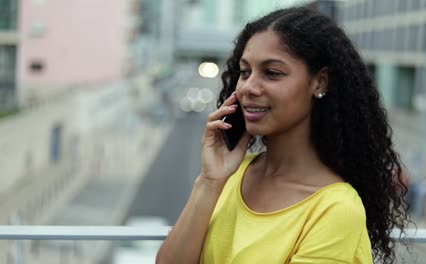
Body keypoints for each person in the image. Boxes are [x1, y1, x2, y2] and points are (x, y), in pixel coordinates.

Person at [156, 7, 411, 264]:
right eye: (245, 72)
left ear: (320, 82)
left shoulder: (335, 209)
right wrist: (210, 181)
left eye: (272, 73)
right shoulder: (230, 176)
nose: (248, 87)